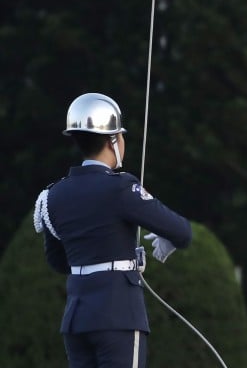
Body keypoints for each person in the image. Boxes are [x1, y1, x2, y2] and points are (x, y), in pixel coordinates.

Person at [33, 92, 193, 368]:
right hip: (117, 314)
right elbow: (182, 232)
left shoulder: (52, 195)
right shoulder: (120, 187)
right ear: (113, 140)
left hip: (76, 318)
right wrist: (127, 260)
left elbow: (58, 261)